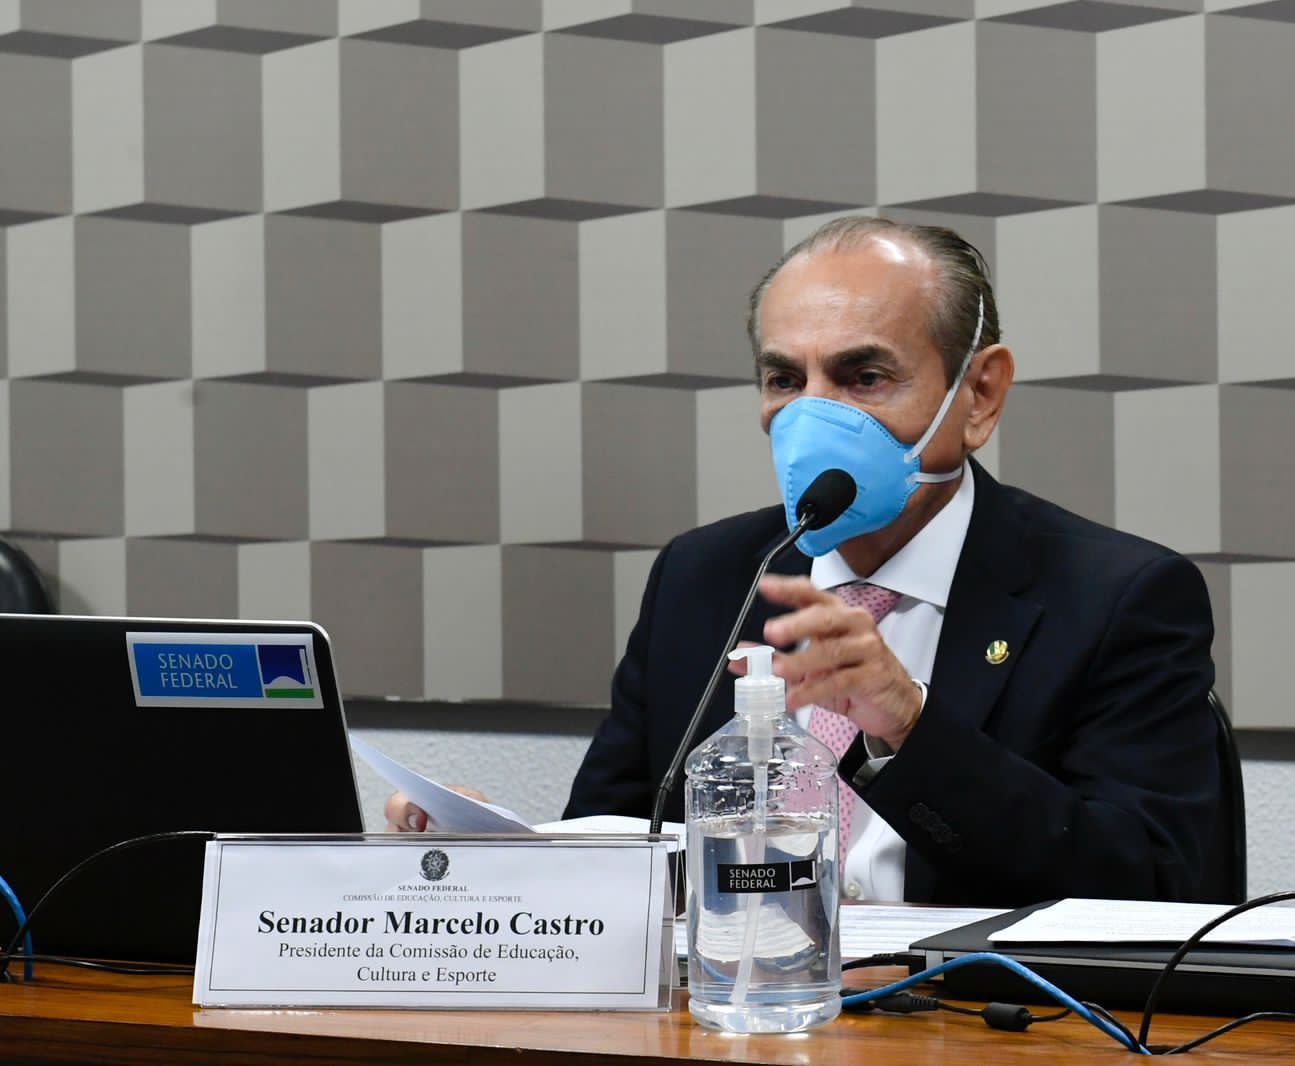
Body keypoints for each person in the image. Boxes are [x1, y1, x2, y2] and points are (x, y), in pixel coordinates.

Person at [390, 217, 1221, 908]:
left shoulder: (1119, 597)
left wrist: (910, 727)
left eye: (863, 377)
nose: (814, 417)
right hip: (727, 1014)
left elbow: (1151, 887)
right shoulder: (704, 576)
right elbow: (624, 842)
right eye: (785, 379)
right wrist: (498, 855)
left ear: (979, 396)